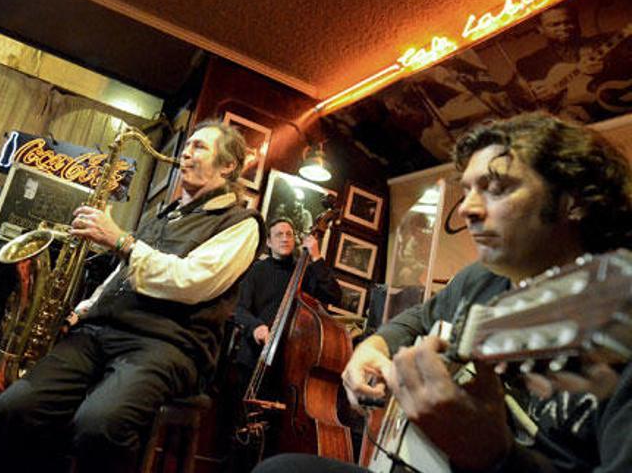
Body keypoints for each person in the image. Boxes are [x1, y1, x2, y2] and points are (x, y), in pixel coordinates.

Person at [253, 111, 632, 473]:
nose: (467, 208)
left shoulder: (619, 315)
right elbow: (417, 319)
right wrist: (372, 350)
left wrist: (493, 457)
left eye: (496, 188)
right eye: (466, 191)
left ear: (574, 201)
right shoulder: (480, 280)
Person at [0, 120, 265, 473]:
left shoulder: (242, 223)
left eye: (199, 146)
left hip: (166, 345)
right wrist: (82, 309)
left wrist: (121, 240)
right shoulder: (163, 216)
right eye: (187, 146)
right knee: (13, 406)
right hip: (99, 333)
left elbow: (191, 281)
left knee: (99, 425)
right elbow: (120, 277)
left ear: (228, 165)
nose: (186, 152)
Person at [234, 218, 341, 373]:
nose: (285, 238)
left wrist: (316, 257)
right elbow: (239, 309)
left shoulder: (306, 272)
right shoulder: (256, 271)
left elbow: (335, 296)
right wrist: (255, 327)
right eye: (279, 235)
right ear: (269, 243)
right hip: (253, 358)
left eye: (289, 234)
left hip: (293, 360)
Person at [515, 5, 632, 123]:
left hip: (617, 111)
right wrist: (530, 94)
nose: (564, 27)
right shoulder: (529, 63)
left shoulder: (602, 42)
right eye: (555, 25)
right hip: (574, 123)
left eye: (568, 22)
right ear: (540, 28)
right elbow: (516, 99)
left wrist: (606, 66)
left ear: (577, 22)